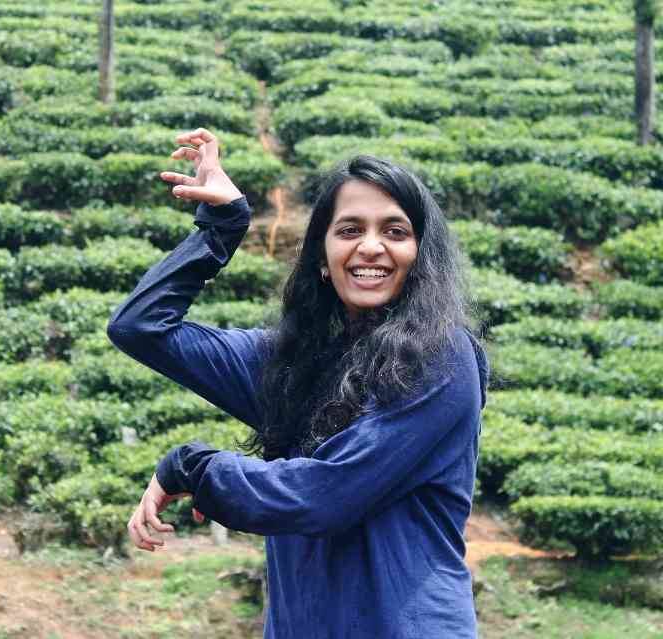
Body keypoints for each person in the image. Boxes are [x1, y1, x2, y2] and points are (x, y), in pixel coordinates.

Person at [106, 128, 489, 638]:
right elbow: (139, 328)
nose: (371, 247)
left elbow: (325, 494)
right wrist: (220, 228)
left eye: (395, 232)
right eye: (349, 230)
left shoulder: (441, 358)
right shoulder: (290, 363)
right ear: (322, 258)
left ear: (421, 256)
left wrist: (192, 467)